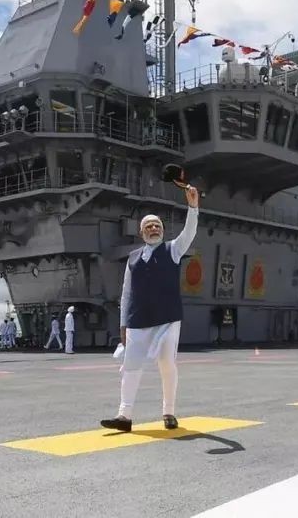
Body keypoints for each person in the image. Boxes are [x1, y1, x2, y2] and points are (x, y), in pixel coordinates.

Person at [101, 185, 199, 432]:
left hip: (167, 318)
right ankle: (124, 416)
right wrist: (123, 325)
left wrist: (193, 207)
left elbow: (189, 233)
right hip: (138, 319)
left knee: (167, 363)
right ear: (141, 232)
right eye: (149, 226)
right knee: (131, 366)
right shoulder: (133, 258)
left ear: (162, 230)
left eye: (157, 226)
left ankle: (169, 412)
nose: (154, 228)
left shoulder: (173, 249)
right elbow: (126, 293)